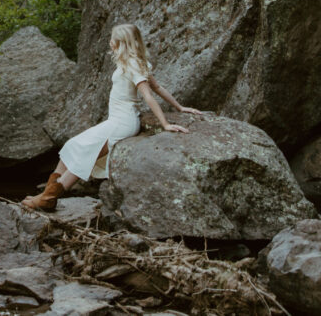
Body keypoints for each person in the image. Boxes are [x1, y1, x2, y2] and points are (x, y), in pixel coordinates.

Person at [22, 23, 202, 210]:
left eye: (113, 39)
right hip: (116, 120)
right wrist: (180, 107)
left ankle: (49, 198)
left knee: (85, 155)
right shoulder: (134, 62)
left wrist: (165, 124)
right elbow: (159, 88)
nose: (110, 42)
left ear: (121, 43)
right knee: (72, 146)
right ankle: (45, 195)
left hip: (122, 122)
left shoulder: (134, 64)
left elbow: (149, 94)